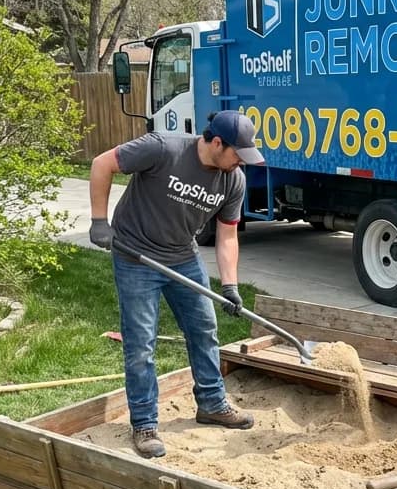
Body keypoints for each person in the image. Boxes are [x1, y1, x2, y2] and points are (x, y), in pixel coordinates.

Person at [88, 110, 265, 458]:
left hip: (182, 256)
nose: (239, 163)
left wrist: (230, 286)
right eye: (236, 154)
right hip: (135, 255)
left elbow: (228, 235)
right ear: (216, 142)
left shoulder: (234, 180)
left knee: (204, 328)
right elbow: (101, 163)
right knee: (141, 343)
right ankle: (144, 423)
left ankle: (212, 404)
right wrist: (99, 221)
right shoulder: (162, 149)